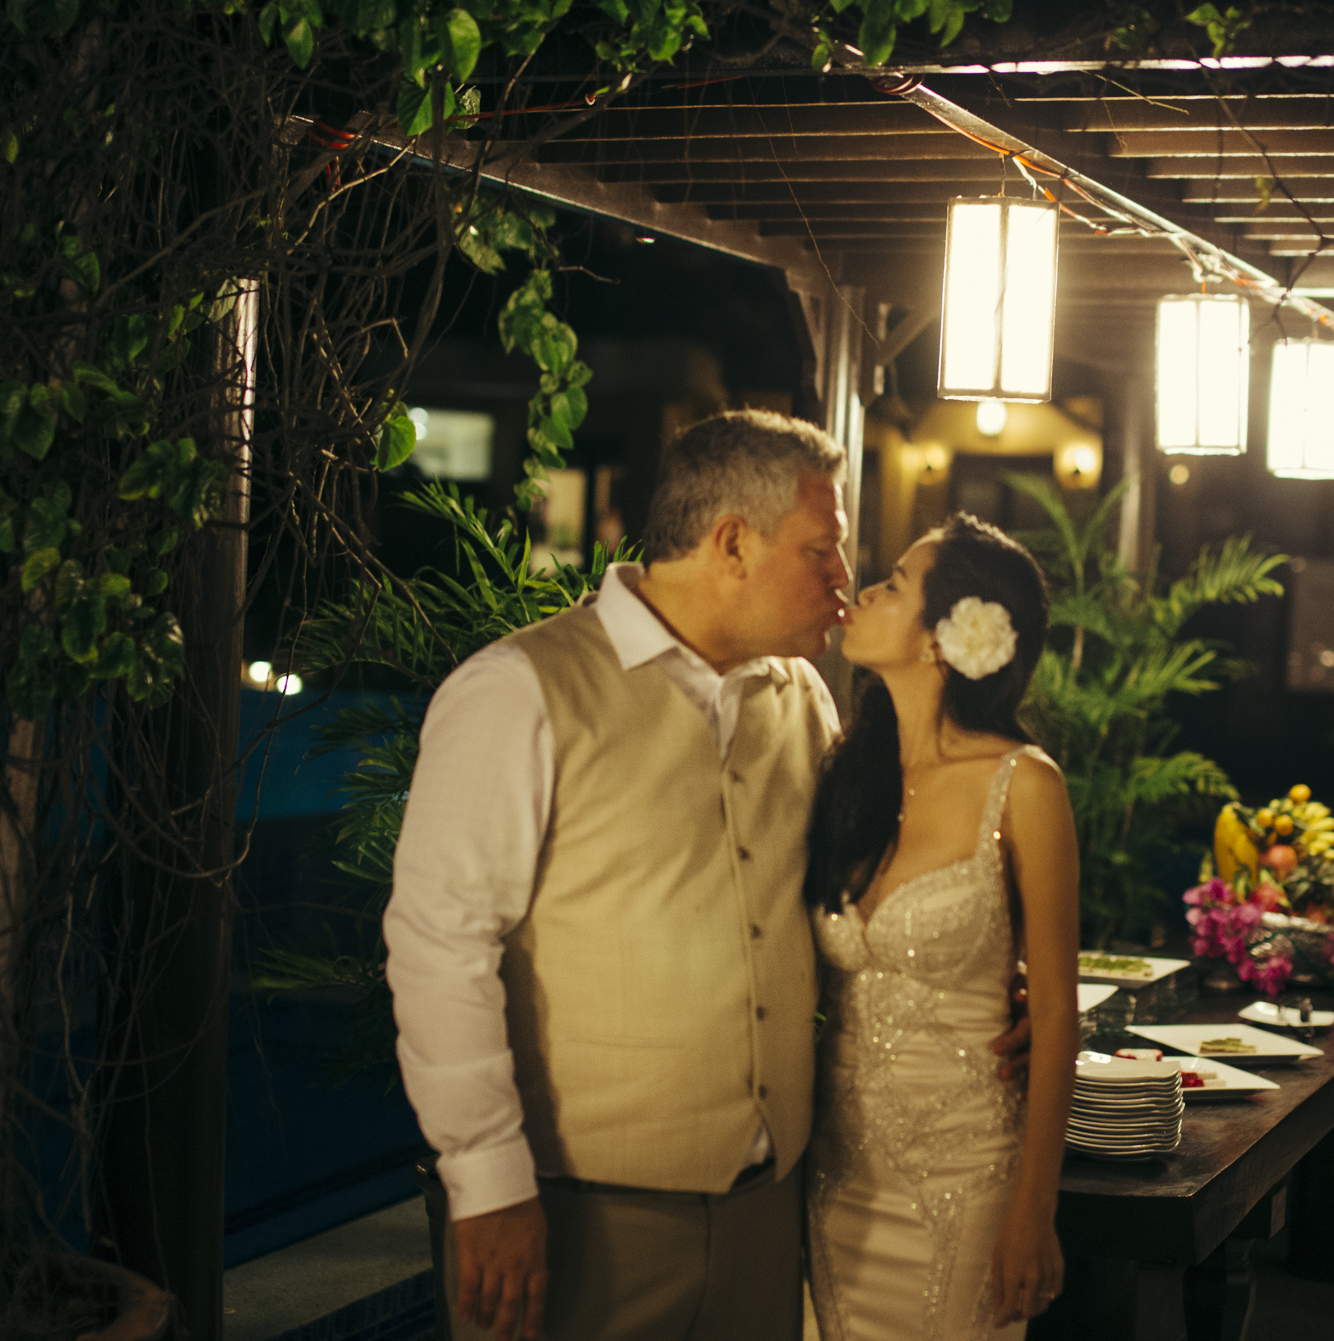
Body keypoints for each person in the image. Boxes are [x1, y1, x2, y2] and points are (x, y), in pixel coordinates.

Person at [384, 410, 1028, 1341]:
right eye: (821, 550)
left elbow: (865, 895)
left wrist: (987, 984)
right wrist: (487, 1184)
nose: (843, 579)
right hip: (579, 1219)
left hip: (769, 1216)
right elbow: (439, 950)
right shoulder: (518, 690)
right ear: (731, 544)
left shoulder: (801, 699)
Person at [803, 514, 1080, 1341]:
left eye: (893, 584)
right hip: (838, 1177)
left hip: (966, 1176)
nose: (864, 591)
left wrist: (1035, 1209)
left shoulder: (1024, 785)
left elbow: (1057, 1011)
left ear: (943, 636)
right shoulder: (847, 772)